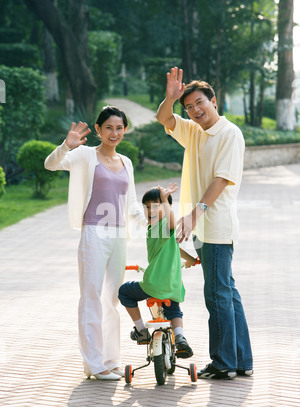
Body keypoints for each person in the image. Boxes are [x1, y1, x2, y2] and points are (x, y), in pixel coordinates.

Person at [156, 67, 253, 379]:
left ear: (214, 100)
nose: (195, 111)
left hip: (216, 226)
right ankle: (241, 360)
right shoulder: (195, 131)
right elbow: (164, 120)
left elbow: (222, 179)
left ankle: (223, 362)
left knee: (217, 293)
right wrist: (170, 100)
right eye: (189, 107)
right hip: (201, 228)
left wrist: (194, 213)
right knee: (227, 290)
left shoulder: (229, 134)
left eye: (200, 103)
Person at [44, 106, 146, 380]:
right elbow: (50, 164)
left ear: (125, 130)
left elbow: (132, 203)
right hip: (93, 233)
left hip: (119, 235)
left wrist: (152, 222)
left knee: (111, 299)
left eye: (119, 128)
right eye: (109, 127)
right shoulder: (85, 156)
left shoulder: (126, 162)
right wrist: (66, 146)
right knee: (91, 297)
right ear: (98, 129)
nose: (115, 133)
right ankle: (93, 363)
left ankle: (110, 360)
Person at [118, 184, 197, 358]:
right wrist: (190, 260)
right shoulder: (155, 228)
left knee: (124, 292)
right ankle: (181, 338)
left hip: (153, 284)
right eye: (147, 207)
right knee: (174, 310)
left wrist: (165, 200)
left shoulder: (161, 225)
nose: (150, 211)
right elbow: (173, 245)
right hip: (173, 285)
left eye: (156, 206)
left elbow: (170, 223)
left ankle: (141, 331)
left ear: (166, 206)